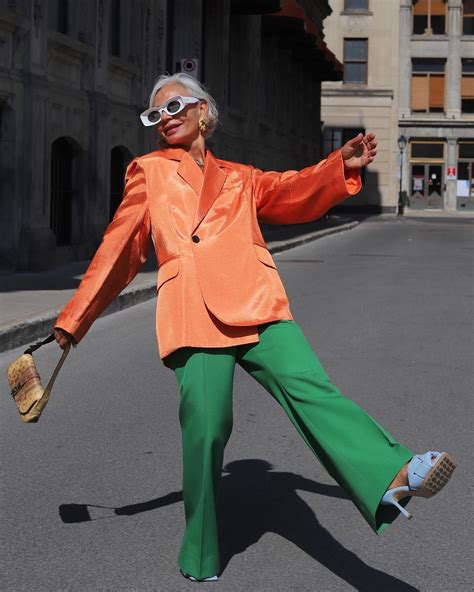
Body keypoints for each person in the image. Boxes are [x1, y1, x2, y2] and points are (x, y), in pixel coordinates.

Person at [54, 73, 456, 583]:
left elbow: (290, 191)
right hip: (194, 310)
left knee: (311, 389)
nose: (164, 119)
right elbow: (119, 248)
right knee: (207, 430)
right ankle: (200, 549)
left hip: (256, 299)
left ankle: (395, 471)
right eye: (154, 114)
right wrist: (74, 319)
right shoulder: (149, 172)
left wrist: (338, 166)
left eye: (174, 106)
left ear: (203, 110)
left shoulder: (239, 177)